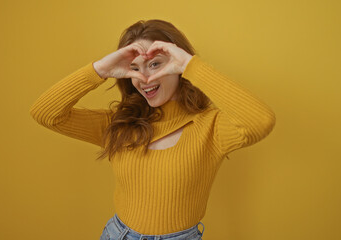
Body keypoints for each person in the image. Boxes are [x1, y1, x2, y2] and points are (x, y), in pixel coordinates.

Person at [29, 19, 276, 240]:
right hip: (118, 235)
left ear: (178, 67)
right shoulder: (117, 124)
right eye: (135, 69)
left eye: (155, 64)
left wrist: (191, 65)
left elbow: (261, 121)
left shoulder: (211, 127)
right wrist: (99, 70)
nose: (144, 78)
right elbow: (45, 113)